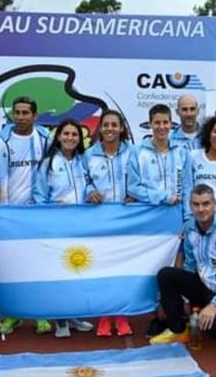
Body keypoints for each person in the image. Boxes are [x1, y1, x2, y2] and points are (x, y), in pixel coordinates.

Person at [0, 96, 52, 335]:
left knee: (39, 265)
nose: (20, 117)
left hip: (39, 213)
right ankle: (11, 315)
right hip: (8, 215)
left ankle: (40, 313)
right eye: (16, 113)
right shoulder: (2, 141)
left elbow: (53, 172)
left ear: (35, 115)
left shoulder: (45, 139)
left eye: (25, 113)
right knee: (12, 268)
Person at [150, 184, 216, 348]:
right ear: (190, 205)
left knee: (214, 329)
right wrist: (183, 299)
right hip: (204, 286)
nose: (201, 209)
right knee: (166, 274)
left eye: (206, 203)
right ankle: (178, 330)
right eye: (196, 204)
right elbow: (190, 264)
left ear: (215, 204)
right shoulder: (189, 227)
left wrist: (215, 304)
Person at [32, 119, 94, 338]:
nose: (70, 138)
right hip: (57, 226)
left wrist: (92, 194)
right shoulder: (48, 163)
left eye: (74, 135)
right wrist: (50, 211)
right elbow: (38, 196)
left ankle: (74, 315)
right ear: (58, 136)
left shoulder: (84, 161)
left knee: (78, 271)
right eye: (66, 134)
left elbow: (90, 185)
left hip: (81, 226)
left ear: (80, 139)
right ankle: (61, 320)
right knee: (59, 272)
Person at [83, 110, 138, 337]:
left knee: (124, 269)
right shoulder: (88, 155)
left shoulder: (134, 152)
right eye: (106, 125)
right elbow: (83, 180)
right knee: (102, 268)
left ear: (122, 128)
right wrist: (90, 191)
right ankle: (105, 316)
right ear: (100, 128)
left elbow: (141, 180)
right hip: (100, 220)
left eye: (115, 125)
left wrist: (136, 195)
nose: (110, 129)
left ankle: (122, 316)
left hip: (126, 220)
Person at [129, 104, 187, 209]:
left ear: (171, 124)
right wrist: (163, 197)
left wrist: (188, 216)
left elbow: (188, 189)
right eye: (157, 123)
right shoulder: (137, 152)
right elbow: (133, 188)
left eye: (165, 122)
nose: (161, 127)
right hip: (147, 213)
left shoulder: (182, 153)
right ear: (150, 124)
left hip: (176, 212)